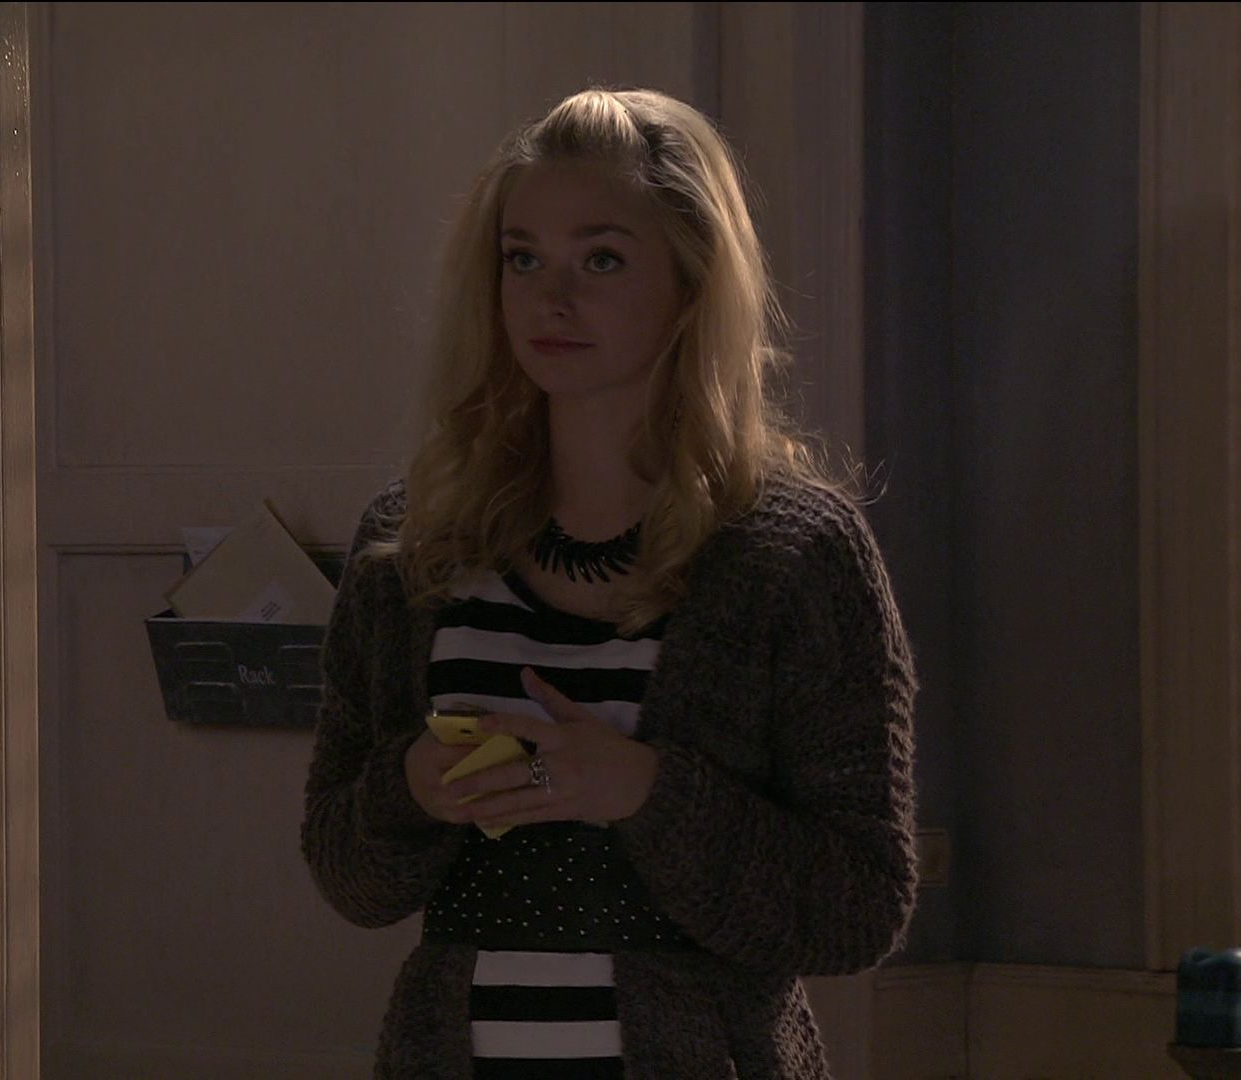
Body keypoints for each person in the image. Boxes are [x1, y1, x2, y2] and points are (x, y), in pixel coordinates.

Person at [300, 86, 919, 1079]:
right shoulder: (411, 545)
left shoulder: (793, 551)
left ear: (692, 282)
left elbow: (858, 905)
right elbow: (346, 872)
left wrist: (642, 790)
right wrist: (413, 784)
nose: (552, 298)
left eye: (601, 260)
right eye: (523, 258)